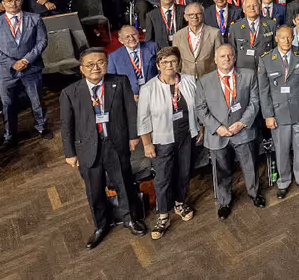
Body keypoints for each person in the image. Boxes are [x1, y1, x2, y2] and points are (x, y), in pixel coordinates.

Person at [60, 48, 146, 249]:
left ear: (107, 64)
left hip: (116, 143)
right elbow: (66, 125)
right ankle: (101, 225)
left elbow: (131, 112)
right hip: (88, 149)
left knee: (124, 183)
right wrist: (70, 153)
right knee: (94, 190)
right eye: (90, 64)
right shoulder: (70, 92)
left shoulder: (120, 81)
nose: (96, 68)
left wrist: (133, 137)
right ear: (82, 69)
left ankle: (130, 219)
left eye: (100, 62)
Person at [136, 46, 200, 240]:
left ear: (179, 63)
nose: (169, 65)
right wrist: (147, 143)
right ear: (158, 65)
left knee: (183, 172)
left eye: (173, 61)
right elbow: (143, 118)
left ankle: (180, 202)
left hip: (186, 135)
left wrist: (200, 127)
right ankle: (163, 215)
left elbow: (198, 106)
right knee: (162, 178)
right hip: (162, 140)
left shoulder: (189, 81)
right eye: (164, 62)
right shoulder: (148, 88)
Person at [197, 44, 264, 219]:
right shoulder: (204, 81)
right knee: (221, 171)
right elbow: (201, 109)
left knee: (250, 167)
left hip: (242, 131)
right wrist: (218, 128)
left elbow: (255, 102)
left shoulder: (248, 75)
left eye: (229, 56)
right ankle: (224, 202)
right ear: (215, 59)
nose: (226, 59)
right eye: (222, 56)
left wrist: (242, 123)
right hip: (218, 134)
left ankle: (254, 194)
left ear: (234, 57)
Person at [0, 0, 50, 146]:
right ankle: (9, 136)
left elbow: (42, 42)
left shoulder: (35, 18)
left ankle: (42, 127)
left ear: (21, 1)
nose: (13, 4)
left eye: (16, 0)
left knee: (37, 101)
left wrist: (26, 60)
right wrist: (12, 63)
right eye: (9, 1)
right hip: (6, 71)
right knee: (7, 105)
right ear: (3, 4)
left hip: (31, 67)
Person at [260, 26, 299, 197]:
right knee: (282, 149)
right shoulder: (266, 59)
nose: (286, 41)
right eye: (282, 38)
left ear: (293, 38)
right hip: (279, 113)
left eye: (289, 37)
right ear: (276, 38)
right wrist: (268, 115)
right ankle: (283, 181)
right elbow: (263, 91)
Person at [107, 25, 158, 97]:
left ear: (138, 34)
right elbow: (112, 81)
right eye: (127, 37)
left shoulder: (153, 47)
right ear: (121, 40)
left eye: (134, 34)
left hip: (154, 91)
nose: (131, 38)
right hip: (130, 96)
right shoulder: (113, 57)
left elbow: (161, 69)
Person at [171, 3, 219, 78]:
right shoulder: (178, 35)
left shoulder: (215, 33)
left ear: (202, 15)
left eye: (198, 14)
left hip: (209, 78)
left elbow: (219, 58)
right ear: (185, 17)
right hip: (186, 79)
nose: (195, 17)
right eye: (191, 14)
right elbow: (176, 60)